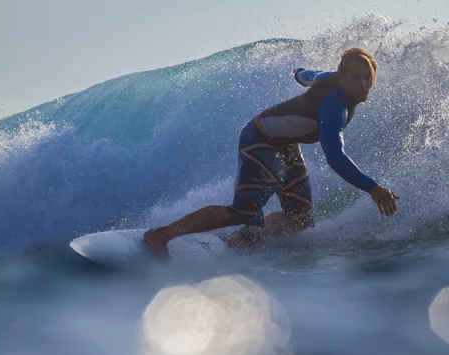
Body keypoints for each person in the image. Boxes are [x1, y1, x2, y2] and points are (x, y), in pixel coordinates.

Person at [144, 47, 399, 260]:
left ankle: (244, 238)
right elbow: (335, 156)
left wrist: (297, 72)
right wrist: (372, 188)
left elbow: (306, 76)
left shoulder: (330, 77)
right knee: (242, 210)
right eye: (356, 78)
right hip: (260, 138)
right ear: (343, 78)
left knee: (299, 218)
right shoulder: (336, 106)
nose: (364, 84)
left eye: (368, 76)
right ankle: (162, 234)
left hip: (285, 144)